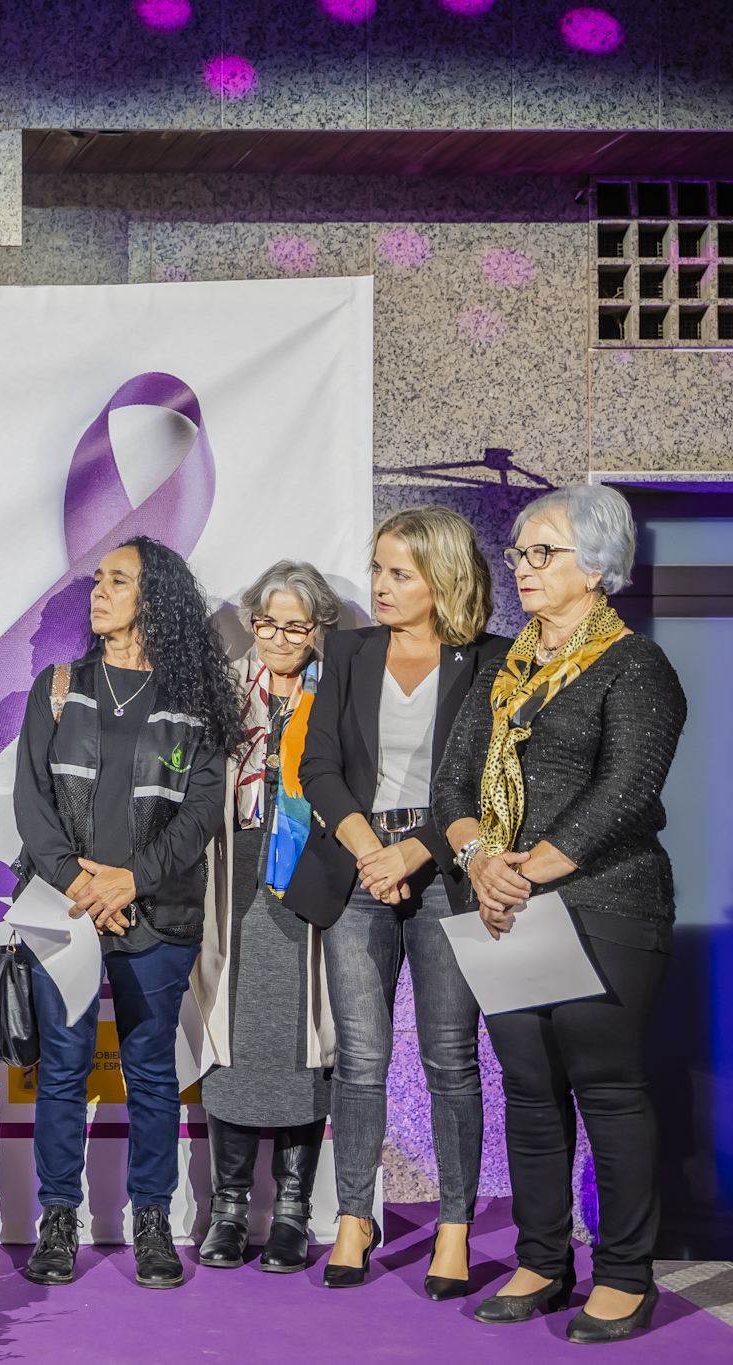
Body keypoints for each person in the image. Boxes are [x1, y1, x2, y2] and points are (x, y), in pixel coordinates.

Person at [436, 484, 685, 1343]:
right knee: (530, 1090)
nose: (524, 566)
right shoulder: (503, 670)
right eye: (520, 552)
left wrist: (522, 872)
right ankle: (543, 1260)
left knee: (607, 1090)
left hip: (606, 904)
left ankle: (625, 1277)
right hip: (506, 906)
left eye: (544, 551)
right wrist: (481, 859)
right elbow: (451, 787)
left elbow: (625, 791)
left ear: (599, 566)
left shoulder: (635, 665)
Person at [13, 535, 241, 1290]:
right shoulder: (58, 686)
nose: (99, 591)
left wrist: (130, 882)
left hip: (158, 913)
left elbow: (201, 815)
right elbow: (32, 804)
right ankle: (57, 1220)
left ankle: (153, 1222)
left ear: (156, 598)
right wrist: (82, 887)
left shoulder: (196, 701)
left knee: (150, 1071)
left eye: (119, 580)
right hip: (64, 908)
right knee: (62, 1068)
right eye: (98, 579)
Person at [296, 505, 509, 1294]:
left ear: (441, 579)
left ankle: (454, 1226)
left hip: (447, 871)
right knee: (361, 1057)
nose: (379, 586)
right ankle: (356, 1216)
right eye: (378, 569)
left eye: (399, 573)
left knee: (451, 1056)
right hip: (357, 866)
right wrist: (371, 855)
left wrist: (415, 852)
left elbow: (495, 782)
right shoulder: (348, 651)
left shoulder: (493, 660)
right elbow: (318, 767)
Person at [192, 561, 342, 1274]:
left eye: (295, 626)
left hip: (309, 880)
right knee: (231, 1039)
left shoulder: (337, 693)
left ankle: (291, 1212)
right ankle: (228, 1209)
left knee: (303, 1045)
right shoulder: (221, 690)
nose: (278, 637)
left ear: (318, 630)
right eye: (267, 622)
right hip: (233, 875)